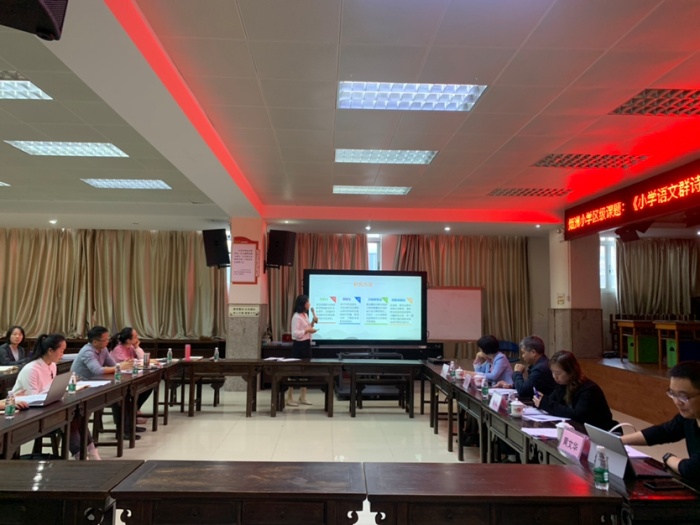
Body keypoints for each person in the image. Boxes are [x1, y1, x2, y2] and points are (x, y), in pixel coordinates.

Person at [14, 333, 100, 459]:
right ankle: (81, 456)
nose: (62, 355)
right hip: (28, 412)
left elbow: (51, 390)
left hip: (48, 406)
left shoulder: (52, 366)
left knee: (78, 414)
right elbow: (33, 398)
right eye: (61, 351)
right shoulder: (31, 369)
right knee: (68, 419)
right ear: (50, 351)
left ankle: (91, 450)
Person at [621, 361, 700, 482]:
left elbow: (691, 468)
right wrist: (619, 441)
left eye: (683, 396)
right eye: (673, 394)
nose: (677, 402)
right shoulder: (689, 418)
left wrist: (668, 458)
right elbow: (664, 431)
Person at [71, 326, 142, 440]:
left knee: (124, 396)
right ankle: (123, 431)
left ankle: (128, 428)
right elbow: (98, 370)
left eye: (108, 338)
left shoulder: (103, 349)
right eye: (105, 340)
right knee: (119, 398)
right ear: (95, 342)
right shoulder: (87, 352)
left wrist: (122, 365)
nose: (108, 341)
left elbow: (113, 365)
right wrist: (120, 366)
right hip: (82, 388)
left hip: (96, 384)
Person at [533, 350, 616, 430]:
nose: (554, 377)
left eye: (558, 373)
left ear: (571, 372)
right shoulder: (562, 384)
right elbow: (553, 401)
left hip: (598, 431)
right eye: (552, 372)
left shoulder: (589, 389)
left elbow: (576, 415)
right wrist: (540, 401)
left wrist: (546, 404)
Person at [109, 327, 151, 424]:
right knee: (133, 390)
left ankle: (135, 409)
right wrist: (136, 362)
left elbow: (144, 360)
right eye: (135, 336)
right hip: (118, 379)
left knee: (148, 386)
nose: (138, 338)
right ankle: (132, 413)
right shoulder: (118, 349)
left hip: (129, 376)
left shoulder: (131, 347)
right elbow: (128, 364)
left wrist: (137, 347)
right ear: (128, 340)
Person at [287, 294, 318, 407]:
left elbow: (308, 327)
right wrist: (307, 331)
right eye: (307, 302)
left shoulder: (305, 315)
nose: (309, 304)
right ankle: (289, 398)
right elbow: (295, 334)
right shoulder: (296, 317)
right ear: (303, 304)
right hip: (299, 346)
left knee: (305, 371)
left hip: (306, 345)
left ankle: (302, 397)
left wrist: (313, 322)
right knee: (293, 372)